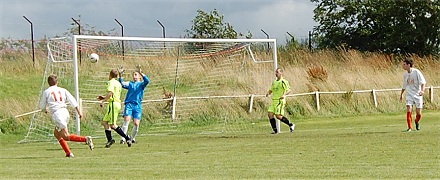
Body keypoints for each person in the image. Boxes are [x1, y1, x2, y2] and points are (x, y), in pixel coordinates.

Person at [40, 74, 94, 158]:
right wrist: (79, 112)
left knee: (66, 136)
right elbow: (73, 101)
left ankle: (85, 139)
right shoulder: (63, 90)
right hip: (65, 112)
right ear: (57, 82)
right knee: (57, 134)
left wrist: (45, 110)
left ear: (48, 83)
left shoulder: (47, 92)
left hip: (57, 114)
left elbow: (42, 106)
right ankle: (68, 153)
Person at [98, 69, 132, 147]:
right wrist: (104, 97)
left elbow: (111, 93)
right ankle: (110, 140)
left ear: (110, 75)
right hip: (115, 103)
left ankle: (127, 138)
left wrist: (103, 101)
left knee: (113, 125)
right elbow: (114, 94)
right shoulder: (118, 83)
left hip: (113, 104)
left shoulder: (111, 82)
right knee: (105, 122)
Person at [118, 65, 150, 144]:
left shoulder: (142, 84)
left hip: (137, 106)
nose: (134, 76)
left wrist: (141, 72)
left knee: (136, 123)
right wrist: (120, 75)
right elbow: (122, 83)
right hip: (129, 104)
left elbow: (147, 81)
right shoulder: (130, 84)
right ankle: (123, 138)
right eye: (133, 75)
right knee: (127, 120)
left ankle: (132, 139)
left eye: (136, 74)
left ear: (139, 76)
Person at [400, 58, 426, 132]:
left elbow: (423, 82)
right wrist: (401, 94)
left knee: (419, 113)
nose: (403, 66)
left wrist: (422, 91)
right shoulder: (405, 75)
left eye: (404, 64)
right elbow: (404, 85)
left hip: (418, 94)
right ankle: (410, 127)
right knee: (409, 109)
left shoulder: (417, 72)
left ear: (408, 65)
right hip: (409, 94)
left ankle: (417, 121)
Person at [265, 67, 295, 134]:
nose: (276, 73)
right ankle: (275, 130)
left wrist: (284, 95)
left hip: (280, 101)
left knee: (278, 116)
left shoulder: (283, 81)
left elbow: (289, 90)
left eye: (277, 72)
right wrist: (268, 93)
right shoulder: (274, 82)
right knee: (270, 114)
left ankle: (291, 124)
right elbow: (271, 89)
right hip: (274, 101)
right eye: (275, 72)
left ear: (281, 73)